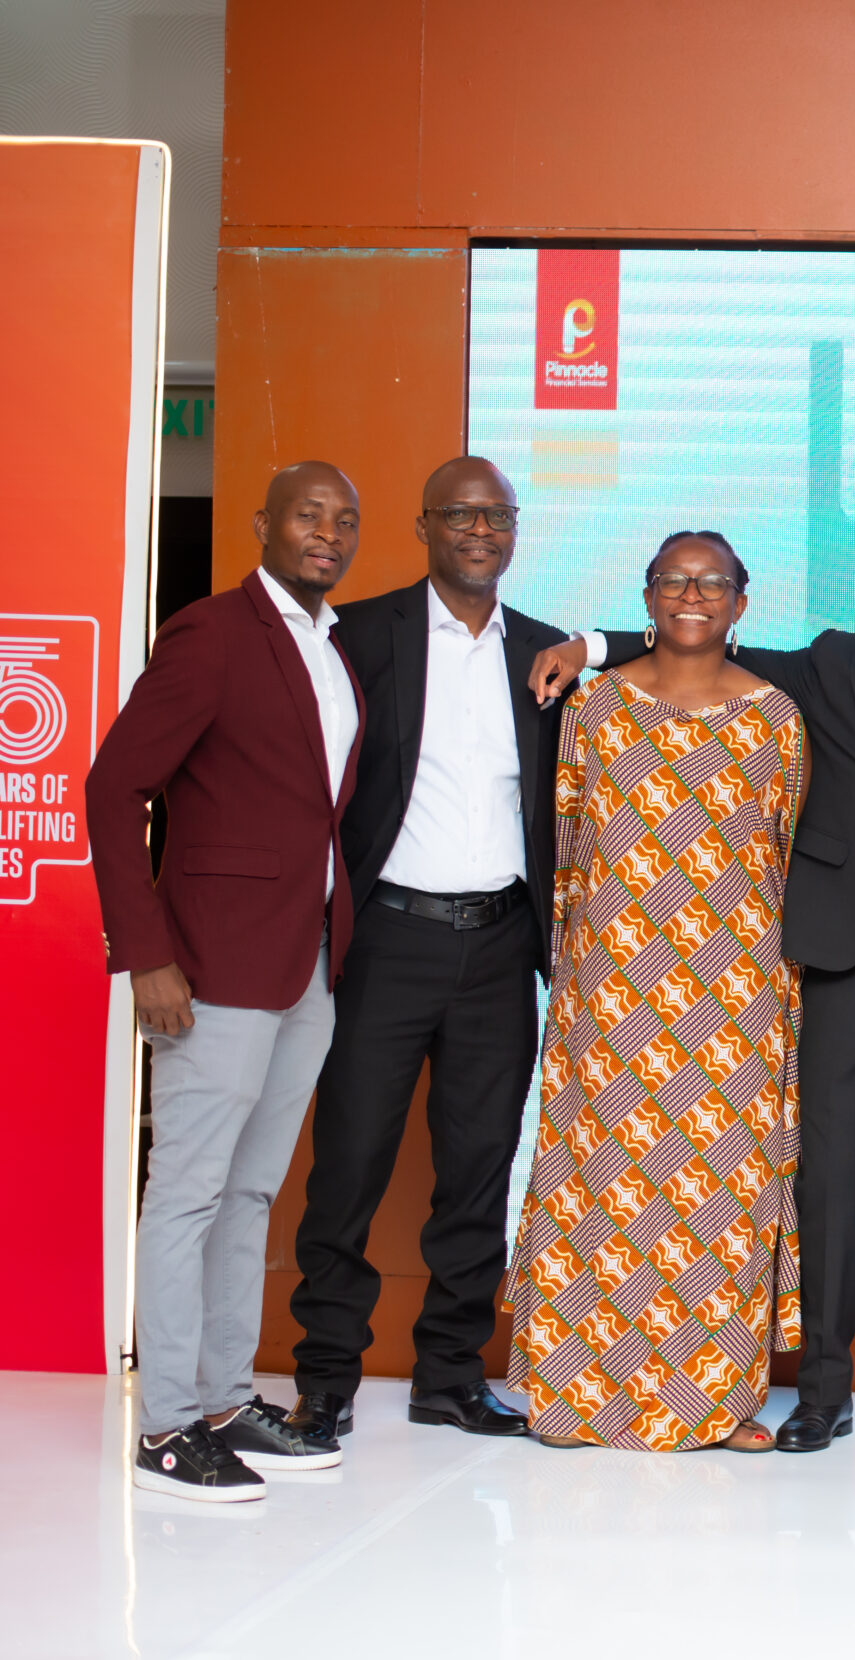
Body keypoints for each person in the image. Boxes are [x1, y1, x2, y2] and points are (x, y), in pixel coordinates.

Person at [528, 533, 855, 1456]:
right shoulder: (830, 672)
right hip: (842, 973)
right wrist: (590, 645)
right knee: (829, 1196)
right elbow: (701, 634)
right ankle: (822, 1394)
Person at [284, 457, 590, 1450]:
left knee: (478, 1170)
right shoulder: (360, 635)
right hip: (387, 940)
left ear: (515, 529)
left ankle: (451, 1375)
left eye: (497, 514)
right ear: (423, 526)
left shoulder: (546, 654)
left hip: (500, 946)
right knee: (348, 1167)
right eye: (460, 513)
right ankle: (324, 1379)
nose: (479, 529)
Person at [88, 461, 366, 1501]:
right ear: (264, 523)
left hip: (307, 961)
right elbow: (114, 787)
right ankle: (165, 1427)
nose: (327, 533)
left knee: (249, 1193)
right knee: (189, 1194)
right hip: (211, 960)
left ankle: (220, 1400)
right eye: (308, 514)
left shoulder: (331, 648)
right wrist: (146, 951)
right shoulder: (211, 633)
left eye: (344, 520)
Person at [505, 532, 805, 1451]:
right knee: (598, 1184)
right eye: (674, 579)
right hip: (610, 987)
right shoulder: (596, 708)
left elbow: (784, 854)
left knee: (720, 1198)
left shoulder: (776, 717)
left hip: (733, 999)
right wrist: (575, 972)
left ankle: (717, 1400)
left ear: (742, 603)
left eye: (712, 583)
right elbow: (568, 844)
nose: (692, 594)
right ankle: (573, 1394)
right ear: (645, 596)